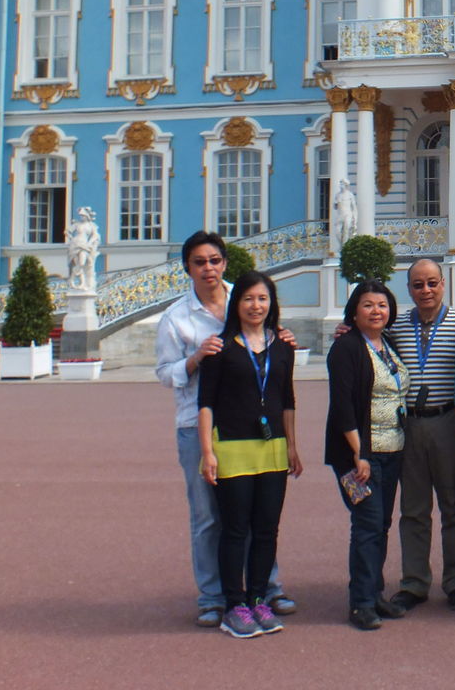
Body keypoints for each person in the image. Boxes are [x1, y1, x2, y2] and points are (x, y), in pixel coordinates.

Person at [155, 231, 295, 628]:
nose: (208, 268)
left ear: (224, 263)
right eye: (199, 262)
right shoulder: (176, 319)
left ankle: (265, 589)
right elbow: (165, 374)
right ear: (188, 268)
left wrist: (279, 337)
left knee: (257, 513)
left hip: (253, 429)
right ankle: (213, 597)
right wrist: (195, 359)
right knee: (209, 518)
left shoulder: (248, 295)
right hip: (197, 425)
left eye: (214, 260)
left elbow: (269, 337)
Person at [197, 271, 302, 639]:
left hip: (272, 448)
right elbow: (205, 403)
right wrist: (208, 452)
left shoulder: (283, 347)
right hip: (232, 448)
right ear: (236, 304)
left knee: (266, 529)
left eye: (262, 299)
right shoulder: (220, 348)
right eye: (248, 299)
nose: (256, 306)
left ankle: (259, 597)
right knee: (235, 529)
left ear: (271, 304)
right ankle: (234, 605)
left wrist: (292, 445)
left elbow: (287, 400)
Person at [387, 258, 455, 613]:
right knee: (413, 508)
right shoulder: (395, 329)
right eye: (418, 285)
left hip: (448, 423)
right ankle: (414, 581)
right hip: (410, 425)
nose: (426, 290)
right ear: (408, 289)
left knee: (454, 506)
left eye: (432, 283)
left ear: (444, 284)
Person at [326, 280, 409, 630]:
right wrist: (358, 454)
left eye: (382, 305)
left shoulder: (386, 343)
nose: (376, 311)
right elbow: (343, 406)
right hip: (358, 457)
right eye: (368, 305)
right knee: (367, 525)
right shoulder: (346, 347)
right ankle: (360, 602)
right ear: (354, 311)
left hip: (391, 449)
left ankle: (374, 593)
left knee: (381, 525)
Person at [66, 207, 101, 293]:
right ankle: (82, 283)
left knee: (82, 263)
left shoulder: (92, 225)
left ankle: (72, 279)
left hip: (85, 245)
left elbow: (95, 236)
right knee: (79, 263)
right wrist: (71, 239)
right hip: (76, 244)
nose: (82, 217)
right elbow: (67, 232)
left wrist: (90, 243)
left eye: (83, 215)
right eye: (81, 216)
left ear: (87, 216)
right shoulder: (77, 224)